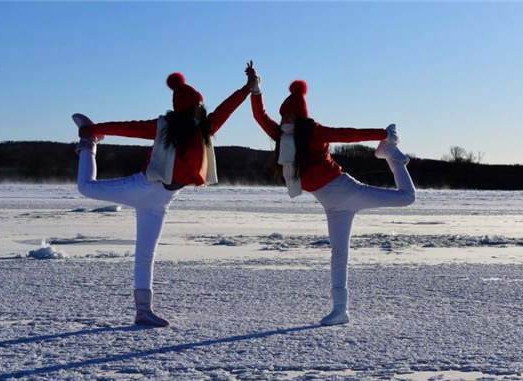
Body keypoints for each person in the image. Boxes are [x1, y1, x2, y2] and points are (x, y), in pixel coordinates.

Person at [73, 69, 254, 327]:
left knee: (145, 255)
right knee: (86, 187)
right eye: (198, 106)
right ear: (189, 108)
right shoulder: (163, 128)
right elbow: (126, 129)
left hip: (161, 201)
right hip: (144, 187)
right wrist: (91, 130)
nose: (202, 109)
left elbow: (227, 108)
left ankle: (143, 312)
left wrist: (247, 88)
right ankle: (88, 146)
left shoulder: (205, 129)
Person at [245, 63, 415, 325]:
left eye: (289, 117)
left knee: (407, 198)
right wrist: (256, 89)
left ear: (299, 118)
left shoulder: (315, 132)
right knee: (338, 255)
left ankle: (392, 156)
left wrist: (383, 135)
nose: (284, 122)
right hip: (333, 206)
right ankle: (340, 311)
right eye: (283, 117)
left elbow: (347, 134)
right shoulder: (282, 136)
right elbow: (260, 117)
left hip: (348, 192)